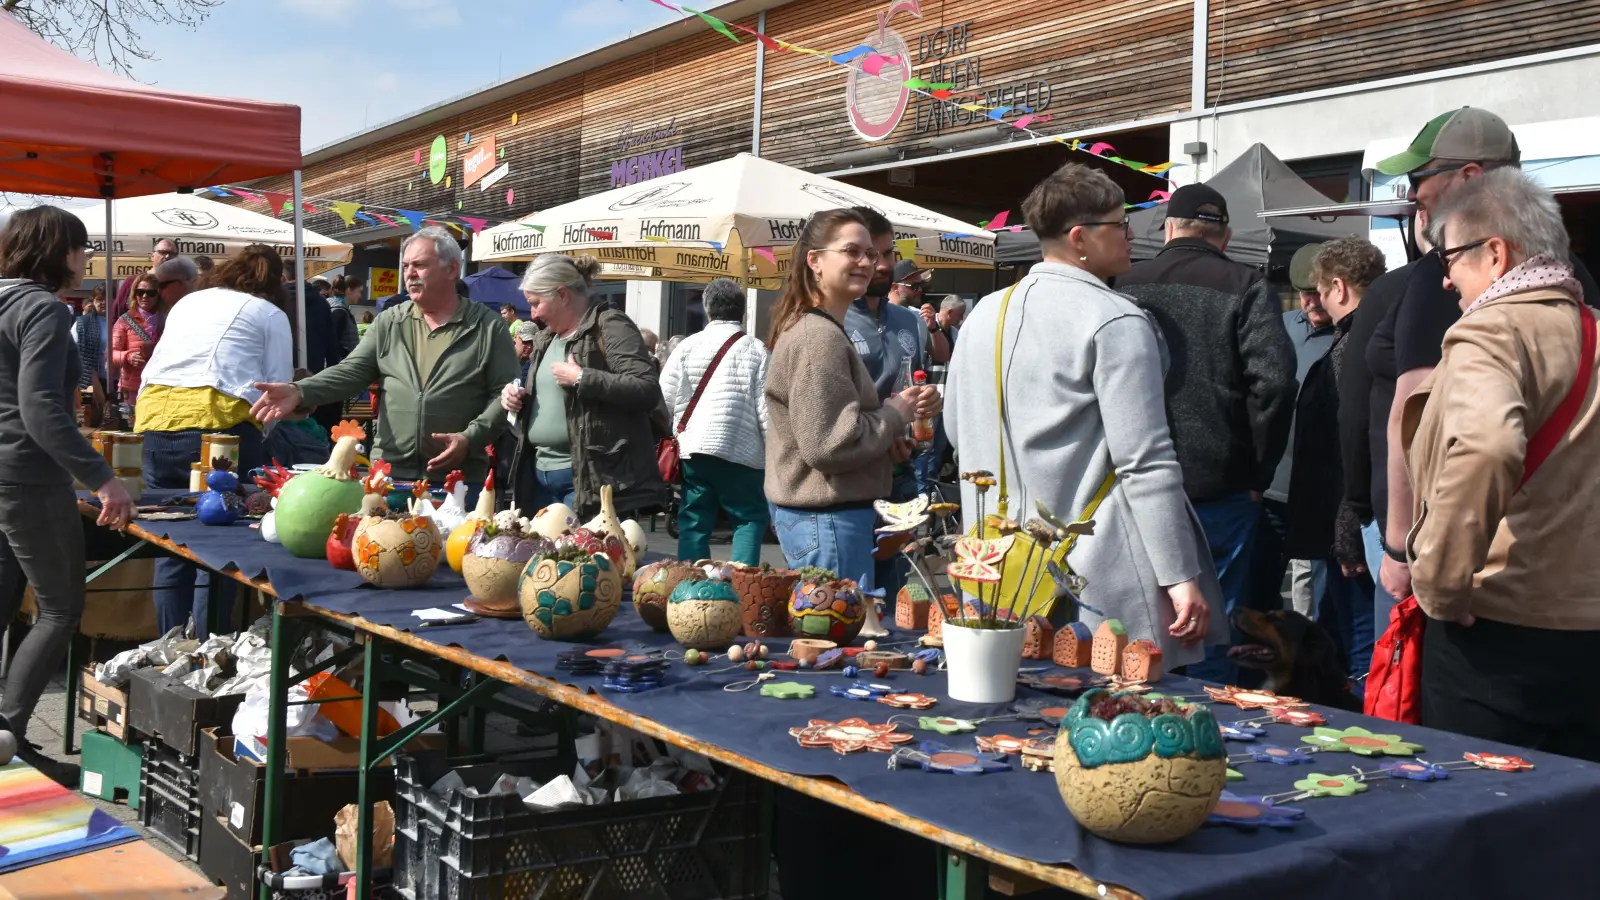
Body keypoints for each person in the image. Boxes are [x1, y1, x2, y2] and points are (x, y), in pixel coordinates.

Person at [947, 162, 1221, 665]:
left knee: (1005, 728)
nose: (1131, 235)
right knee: (1121, 729)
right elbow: (1145, 460)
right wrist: (1181, 578)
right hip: (1099, 576)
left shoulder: (984, 312)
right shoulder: (1115, 318)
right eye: (1119, 224)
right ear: (1080, 238)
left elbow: (954, 429)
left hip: (995, 565)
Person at [1372, 106, 1600, 628]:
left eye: (1419, 177)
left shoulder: (1481, 313)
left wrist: (1425, 571)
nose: (1411, 195)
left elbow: (1474, 440)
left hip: (1499, 602)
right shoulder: (1579, 296)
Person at [1403, 167, 1600, 762]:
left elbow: (1487, 447)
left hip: (1497, 626)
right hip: (1586, 629)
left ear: (1495, 253)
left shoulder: (1490, 330)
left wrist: (1441, 585)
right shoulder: (1593, 328)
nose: (1445, 280)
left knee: (1480, 826)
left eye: (1450, 258)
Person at [1113, 182, 1297, 681]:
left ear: (1169, 229)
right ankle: (1208, 740)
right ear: (1226, 234)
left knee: (1136, 621)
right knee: (1211, 625)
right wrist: (1257, 469)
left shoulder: (1125, 282)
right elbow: (1276, 383)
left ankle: (1130, 731)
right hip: (1220, 481)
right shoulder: (1245, 284)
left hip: (1130, 478)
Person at [0, 206, 134, 781]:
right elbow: (41, 409)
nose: (87, 261)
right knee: (59, 607)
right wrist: (103, 477)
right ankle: (9, 729)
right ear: (59, 252)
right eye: (82, 249)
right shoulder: (42, 309)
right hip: (27, 475)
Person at [253, 226, 518, 486]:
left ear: (451, 269)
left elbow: (505, 394)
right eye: (405, 266)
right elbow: (352, 371)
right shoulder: (390, 321)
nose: (410, 274)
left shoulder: (487, 326)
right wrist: (300, 390)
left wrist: (470, 438)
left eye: (420, 265)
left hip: (458, 479)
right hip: (390, 476)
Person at [764, 209, 938, 588]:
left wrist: (889, 438)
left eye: (872, 254)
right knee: (839, 641)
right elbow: (828, 446)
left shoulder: (820, 330)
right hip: (829, 520)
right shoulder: (818, 337)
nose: (867, 262)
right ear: (815, 261)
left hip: (835, 516)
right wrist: (893, 415)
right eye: (851, 251)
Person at [137, 247, 292, 638]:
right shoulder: (270, 313)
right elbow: (275, 388)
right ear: (276, 283)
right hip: (219, 427)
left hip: (155, 419)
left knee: (169, 541)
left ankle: (163, 648)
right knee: (217, 547)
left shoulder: (189, 302)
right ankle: (209, 649)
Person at [1284, 236, 1387, 692]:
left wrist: (1348, 523)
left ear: (1341, 288)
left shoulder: (1357, 344)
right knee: (1346, 629)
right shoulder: (1371, 335)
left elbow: (1357, 442)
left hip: (1359, 517)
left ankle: (1369, 728)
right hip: (1354, 513)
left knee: (1362, 638)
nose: (1318, 300)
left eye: (1322, 290)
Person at [500, 255, 667, 519]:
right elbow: (546, 396)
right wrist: (515, 398)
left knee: (578, 558)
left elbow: (646, 388)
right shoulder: (546, 337)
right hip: (539, 477)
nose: (533, 314)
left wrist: (582, 378)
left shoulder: (610, 325)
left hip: (589, 480)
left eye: (535, 304)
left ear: (563, 295)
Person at [845, 208, 929, 596]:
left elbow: (915, 384)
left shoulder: (910, 321)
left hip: (901, 476)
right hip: (850, 480)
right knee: (847, 604)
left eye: (888, 253)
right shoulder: (833, 319)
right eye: (871, 255)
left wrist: (927, 405)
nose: (881, 265)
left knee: (895, 596)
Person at [659, 278, 770, 565]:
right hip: (743, 451)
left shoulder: (686, 347)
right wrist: (774, 456)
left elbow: (664, 400)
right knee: (748, 519)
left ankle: (692, 590)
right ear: (742, 312)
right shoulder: (756, 349)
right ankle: (742, 589)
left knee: (694, 523)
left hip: (694, 448)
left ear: (708, 310)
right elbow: (766, 412)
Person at [1256, 243, 1335, 618]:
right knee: (1261, 584)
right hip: (1272, 489)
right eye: (1306, 295)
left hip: (1320, 492)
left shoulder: (1349, 335)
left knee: (1313, 589)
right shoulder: (1282, 328)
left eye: (1320, 294)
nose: (1313, 303)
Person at [111, 271, 163, 420]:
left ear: (158, 294)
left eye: (150, 292)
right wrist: (128, 356)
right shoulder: (124, 320)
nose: (144, 296)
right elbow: (112, 353)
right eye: (140, 292)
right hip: (133, 387)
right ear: (134, 294)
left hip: (159, 385)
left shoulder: (168, 319)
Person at [888, 259, 950, 364]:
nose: (920, 290)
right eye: (914, 286)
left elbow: (943, 356)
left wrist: (933, 328)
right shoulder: (880, 315)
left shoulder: (919, 316)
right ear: (895, 288)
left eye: (921, 285)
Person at [71, 284, 108, 423]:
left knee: (113, 421)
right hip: (88, 379)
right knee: (90, 419)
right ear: (93, 301)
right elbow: (72, 351)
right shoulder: (82, 323)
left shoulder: (120, 321)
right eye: (99, 299)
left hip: (115, 382)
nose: (103, 302)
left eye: (106, 298)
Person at [327, 275, 362, 357]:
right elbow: (332, 343)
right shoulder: (339, 311)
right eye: (359, 291)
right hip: (340, 364)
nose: (360, 296)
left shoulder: (337, 308)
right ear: (349, 290)